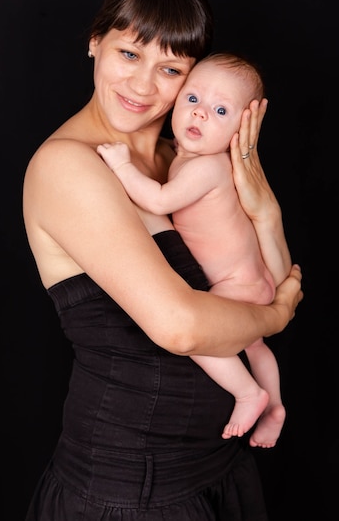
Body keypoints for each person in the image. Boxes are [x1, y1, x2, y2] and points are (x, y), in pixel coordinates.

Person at [23, 0, 303, 520]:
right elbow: (182, 327)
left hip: (216, 467)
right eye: (129, 54)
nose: (144, 85)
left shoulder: (184, 161)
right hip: (133, 488)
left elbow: (272, 273)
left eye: (170, 68)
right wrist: (274, 318)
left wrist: (264, 208)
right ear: (96, 42)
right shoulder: (69, 166)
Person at [97, 52, 286, 449]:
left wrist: (121, 166)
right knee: (257, 347)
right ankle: (275, 409)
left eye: (220, 110)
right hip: (256, 281)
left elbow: (160, 200)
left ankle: (248, 394)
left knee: (205, 340)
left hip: (234, 286)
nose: (200, 115)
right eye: (193, 100)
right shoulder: (190, 160)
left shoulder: (208, 167)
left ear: (242, 130)